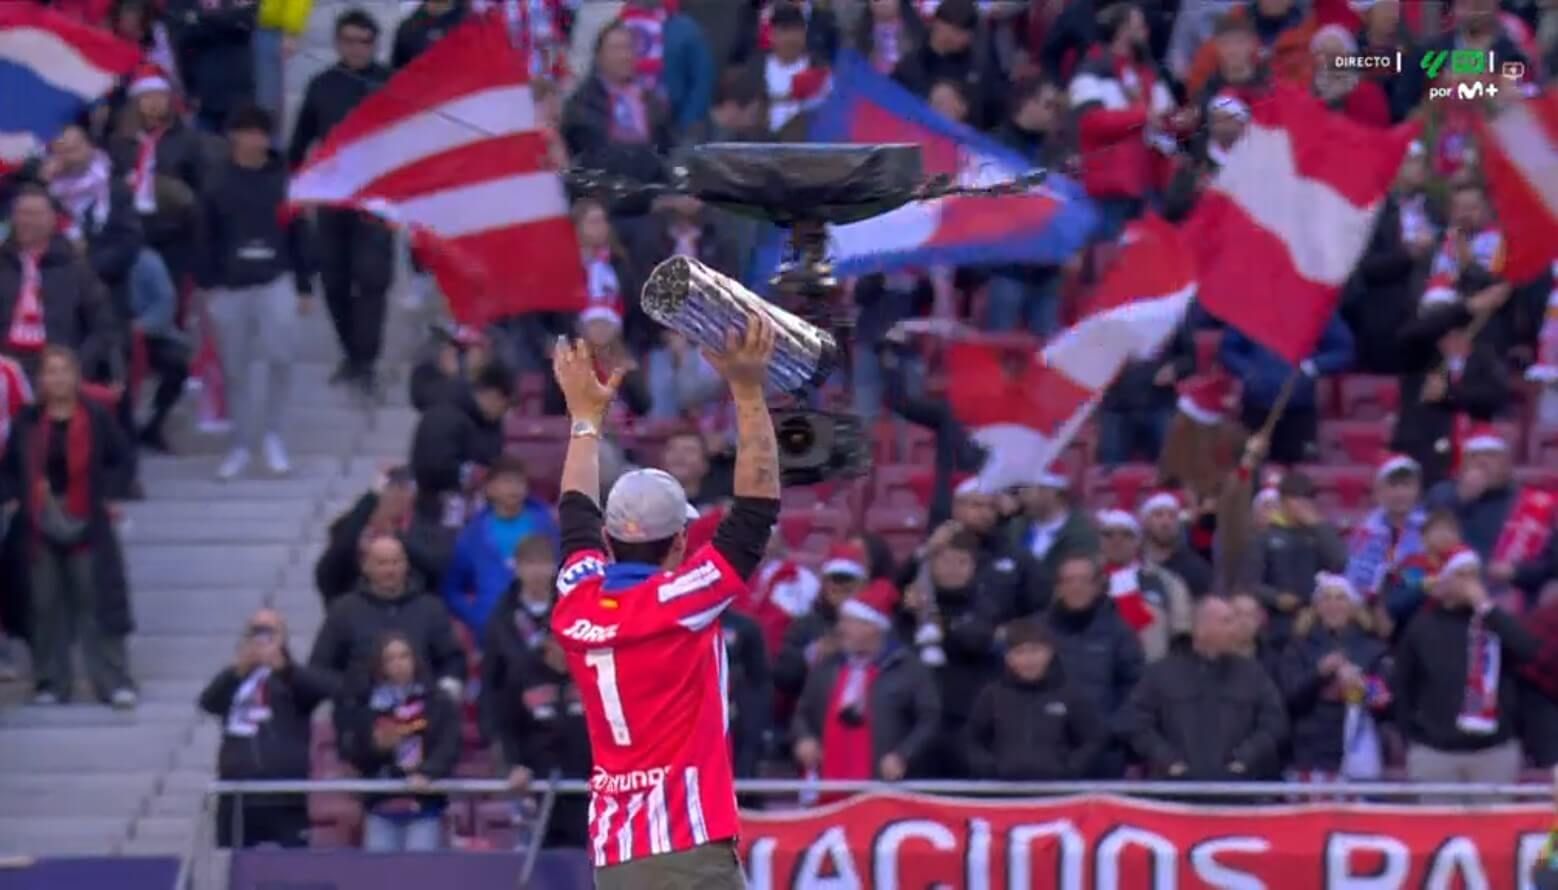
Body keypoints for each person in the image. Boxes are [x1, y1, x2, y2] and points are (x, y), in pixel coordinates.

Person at [547, 318, 781, 888]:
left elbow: (575, 515)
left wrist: (584, 419)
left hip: (615, 853)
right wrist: (748, 392)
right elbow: (756, 511)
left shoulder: (577, 598)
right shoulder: (683, 600)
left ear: (609, 540)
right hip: (687, 844)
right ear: (680, 539)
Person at [0, 346, 135, 707]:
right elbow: (10, 469)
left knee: (96, 601)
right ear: (40, 379)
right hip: (38, 521)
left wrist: (106, 495)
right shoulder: (27, 421)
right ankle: (50, 683)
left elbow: (121, 460)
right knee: (45, 604)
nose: (57, 378)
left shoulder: (96, 418)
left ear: (76, 377)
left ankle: (112, 682)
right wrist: (15, 495)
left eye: (64, 371)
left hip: (87, 520)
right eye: (50, 371)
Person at [196, 104, 315, 481]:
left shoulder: (285, 180)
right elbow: (204, 235)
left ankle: (274, 437)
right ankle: (242, 444)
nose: (254, 140)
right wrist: (207, 283)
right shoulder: (216, 181)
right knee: (235, 368)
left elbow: (299, 233)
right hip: (230, 285)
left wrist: (304, 284)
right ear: (234, 136)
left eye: (261, 133)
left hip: (275, 279)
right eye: (247, 132)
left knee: (282, 358)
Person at [289, 8, 395, 395]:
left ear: (375, 44)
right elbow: (299, 143)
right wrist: (296, 189)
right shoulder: (321, 85)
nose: (357, 48)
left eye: (364, 41)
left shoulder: (392, 84)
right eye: (349, 41)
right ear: (337, 43)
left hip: (377, 200)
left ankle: (367, 360)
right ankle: (351, 355)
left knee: (372, 280)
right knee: (334, 281)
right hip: (333, 198)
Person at [199, 608, 336, 848]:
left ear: (283, 637)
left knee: (290, 874)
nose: (263, 638)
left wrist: (284, 669)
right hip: (238, 797)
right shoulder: (234, 677)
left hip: (286, 795)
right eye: (256, 631)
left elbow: (324, 690)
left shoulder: (294, 678)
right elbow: (208, 702)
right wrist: (236, 672)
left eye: (270, 631)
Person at [1125, 597, 1288, 781]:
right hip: (1175, 793)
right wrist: (1168, 760)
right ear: (1201, 628)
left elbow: (1274, 723)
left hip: (1237, 792)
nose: (1235, 628)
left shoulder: (1253, 674)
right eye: (1227, 621)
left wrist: (1245, 757)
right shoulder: (1161, 674)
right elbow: (1137, 723)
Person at [335, 632, 460, 852]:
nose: (398, 664)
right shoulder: (366, 705)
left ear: (415, 660)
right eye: (390, 659)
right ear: (380, 666)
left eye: (404, 656)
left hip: (423, 806)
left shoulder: (438, 701)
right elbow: (352, 752)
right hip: (381, 807)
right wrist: (376, 747)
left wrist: (428, 772)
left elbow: (449, 745)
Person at [964, 617, 1106, 781]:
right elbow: (971, 739)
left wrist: (1070, 768)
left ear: (1049, 653)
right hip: (1002, 792)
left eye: (1035, 650)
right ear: (1008, 658)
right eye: (1020, 652)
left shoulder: (1069, 694)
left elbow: (1094, 738)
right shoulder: (992, 695)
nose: (1028, 660)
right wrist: (988, 768)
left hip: (1058, 794)